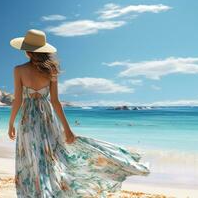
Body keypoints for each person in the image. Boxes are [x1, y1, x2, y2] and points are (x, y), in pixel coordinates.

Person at [8, 29, 149, 198]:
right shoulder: (51, 71)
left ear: (28, 51)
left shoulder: (18, 70)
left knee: (31, 159)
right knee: (52, 158)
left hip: (28, 120)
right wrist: (67, 129)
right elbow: (55, 102)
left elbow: (18, 100)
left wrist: (11, 123)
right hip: (48, 119)